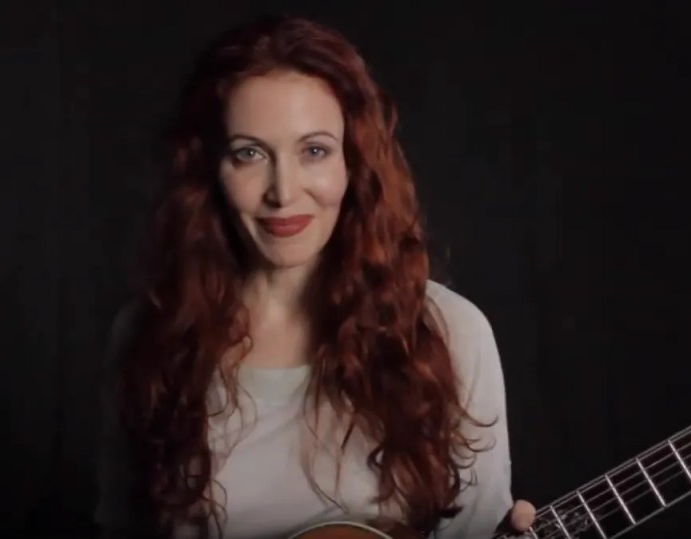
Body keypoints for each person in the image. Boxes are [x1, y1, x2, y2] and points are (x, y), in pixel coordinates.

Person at [94, 15, 537, 539]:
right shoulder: (150, 335)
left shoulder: (452, 335)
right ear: (210, 169)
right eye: (250, 153)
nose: (283, 191)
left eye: (315, 151)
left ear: (354, 162)